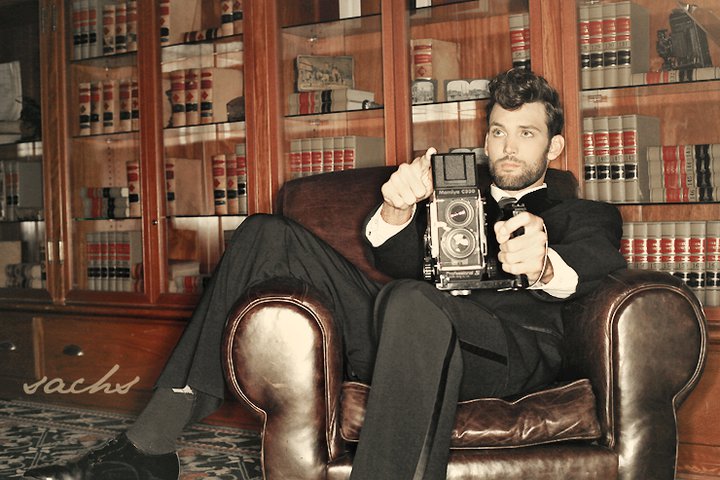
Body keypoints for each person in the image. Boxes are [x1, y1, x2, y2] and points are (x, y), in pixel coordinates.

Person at [24, 69, 626, 480]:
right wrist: (397, 209)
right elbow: (395, 261)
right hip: (408, 334)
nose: (508, 147)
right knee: (264, 234)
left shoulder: (585, 215)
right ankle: (150, 447)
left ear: (554, 148)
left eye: (526, 133)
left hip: (504, 355)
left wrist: (543, 264)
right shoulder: (453, 196)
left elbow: (593, 267)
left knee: (410, 299)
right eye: (498, 131)